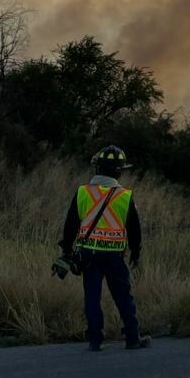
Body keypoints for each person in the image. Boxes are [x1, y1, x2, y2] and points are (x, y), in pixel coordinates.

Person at [60, 144, 149, 353]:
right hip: (114, 257)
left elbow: (70, 224)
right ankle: (132, 338)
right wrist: (136, 252)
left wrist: (66, 250)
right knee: (123, 296)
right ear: (119, 171)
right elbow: (134, 229)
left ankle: (95, 341)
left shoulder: (83, 192)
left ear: (97, 168)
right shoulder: (125, 196)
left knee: (92, 296)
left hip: (88, 254)